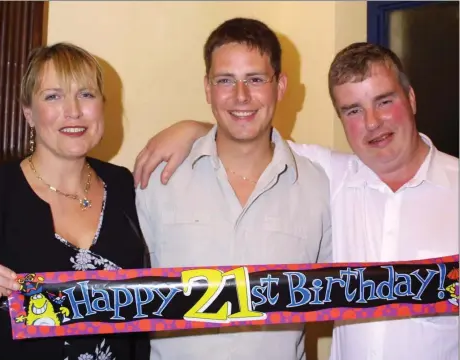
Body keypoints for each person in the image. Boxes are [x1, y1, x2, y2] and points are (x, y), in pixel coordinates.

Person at [133, 41, 459, 360]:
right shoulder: (328, 176)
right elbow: (248, 134)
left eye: (384, 102)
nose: (372, 122)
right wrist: (193, 128)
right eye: (353, 110)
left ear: (411, 98)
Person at [135, 18, 332, 360]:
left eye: (255, 79)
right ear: (208, 88)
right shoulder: (157, 180)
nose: (241, 96)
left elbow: (335, 294)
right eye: (225, 80)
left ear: (280, 86)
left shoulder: (318, 188)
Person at [0, 43, 150, 360]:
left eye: (86, 94)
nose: (73, 110)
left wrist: (192, 130)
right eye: (53, 96)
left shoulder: (128, 186)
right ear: (28, 113)